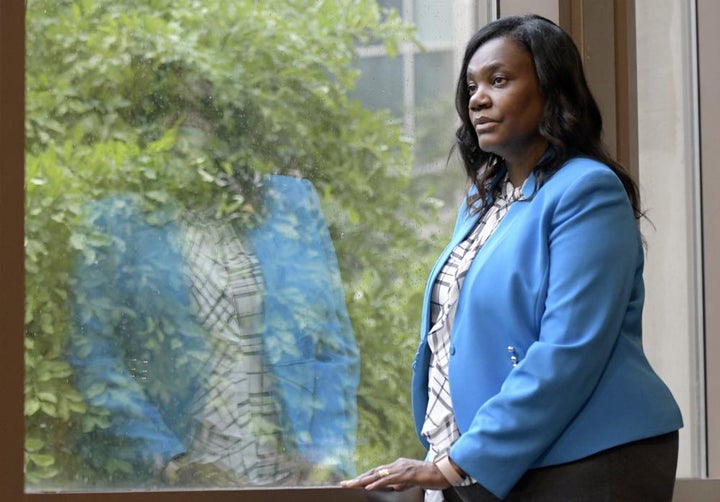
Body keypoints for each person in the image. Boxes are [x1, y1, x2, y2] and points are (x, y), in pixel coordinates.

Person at [341, 14, 683, 501]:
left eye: (499, 80)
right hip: (506, 457)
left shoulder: (587, 190)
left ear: (551, 89)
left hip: (590, 456)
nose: (478, 98)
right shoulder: (485, 201)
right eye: (472, 86)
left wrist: (457, 463)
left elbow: (570, 349)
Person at [71, 172, 360, 487]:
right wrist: (169, 463)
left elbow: (332, 348)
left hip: (293, 479)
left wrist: (325, 461)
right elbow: (94, 357)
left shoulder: (290, 202)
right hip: (187, 481)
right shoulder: (119, 219)